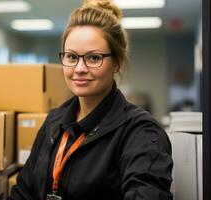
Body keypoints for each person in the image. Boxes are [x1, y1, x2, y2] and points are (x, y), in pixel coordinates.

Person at [10, 0, 173, 199]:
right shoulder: (53, 123)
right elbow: (22, 193)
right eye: (71, 57)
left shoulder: (141, 132)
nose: (79, 68)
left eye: (94, 58)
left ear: (116, 63)